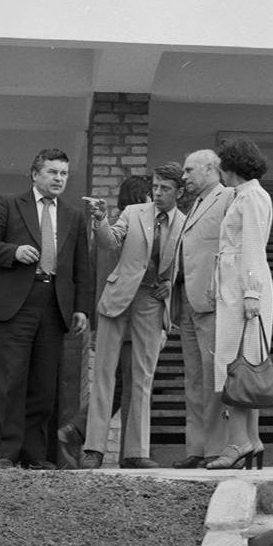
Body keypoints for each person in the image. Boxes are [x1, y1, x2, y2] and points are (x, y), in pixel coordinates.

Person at [0, 148, 91, 468]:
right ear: (34, 174)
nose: (58, 179)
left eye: (64, 174)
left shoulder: (73, 215)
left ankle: (34, 455)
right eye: (52, 172)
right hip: (17, 304)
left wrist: (81, 308)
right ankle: (3, 454)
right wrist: (13, 252)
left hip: (54, 305)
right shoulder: (8, 204)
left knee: (43, 385)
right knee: (10, 380)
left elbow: (82, 266)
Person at [83, 162, 185, 469]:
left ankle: (135, 453)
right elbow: (109, 241)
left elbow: (183, 262)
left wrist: (170, 283)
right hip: (118, 298)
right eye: (155, 186)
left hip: (151, 302)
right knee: (103, 375)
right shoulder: (133, 213)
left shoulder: (184, 222)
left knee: (142, 378)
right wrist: (100, 220)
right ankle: (94, 449)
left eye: (165, 189)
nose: (158, 193)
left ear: (179, 192)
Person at [56, 174, 151, 468]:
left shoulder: (103, 231)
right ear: (141, 198)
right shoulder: (131, 229)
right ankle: (79, 431)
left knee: (117, 382)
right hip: (127, 313)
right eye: (150, 195)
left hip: (107, 312)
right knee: (125, 383)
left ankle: (84, 435)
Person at [207, 139, 273, 470]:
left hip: (243, 287)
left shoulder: (252, 197)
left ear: (232, 167)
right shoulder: (245, 195)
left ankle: (237, 442)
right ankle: (250, 437)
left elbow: (251, 247)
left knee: (237, 363)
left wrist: (251, 292)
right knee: (242, 361)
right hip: (234, 284)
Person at [172, 149, 234, 467]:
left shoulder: (229, 198)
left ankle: (215, 448)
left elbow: (233, 248)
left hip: (211, 302)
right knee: (194, 379)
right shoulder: (195, 203)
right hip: (187, 300)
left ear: (211, 169)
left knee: (213, 378)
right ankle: (195, 448)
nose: (184, 177)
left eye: (189, 170)